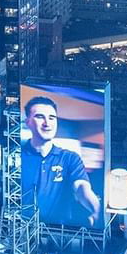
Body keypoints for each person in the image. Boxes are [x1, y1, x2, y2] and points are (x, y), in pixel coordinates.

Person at [20, 94, 102, 226]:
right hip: (21, 233)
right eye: (40, 117)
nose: (47, 123)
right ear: (28, 122)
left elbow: (82, 188)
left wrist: (96, 209)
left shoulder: (70, 158)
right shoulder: (17, 156)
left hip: (60, 235)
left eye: (52, 118)